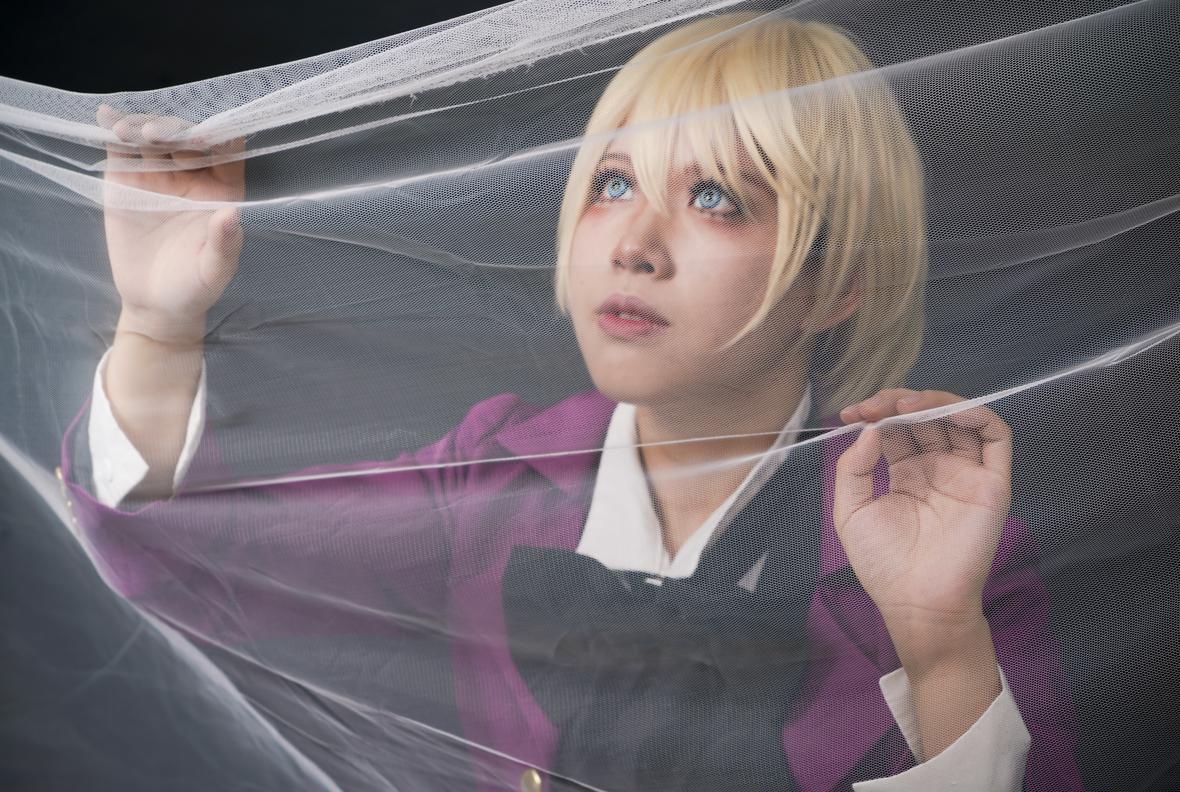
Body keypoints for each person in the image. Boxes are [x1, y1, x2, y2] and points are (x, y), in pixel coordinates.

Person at [59, 12, 1082, 792]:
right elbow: (189, 571)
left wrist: (939, 642)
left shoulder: (937, 542)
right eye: (613, 183)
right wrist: (158, 324)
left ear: (834, 285)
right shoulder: (491, 472)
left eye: (716, 198)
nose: (632, 244)